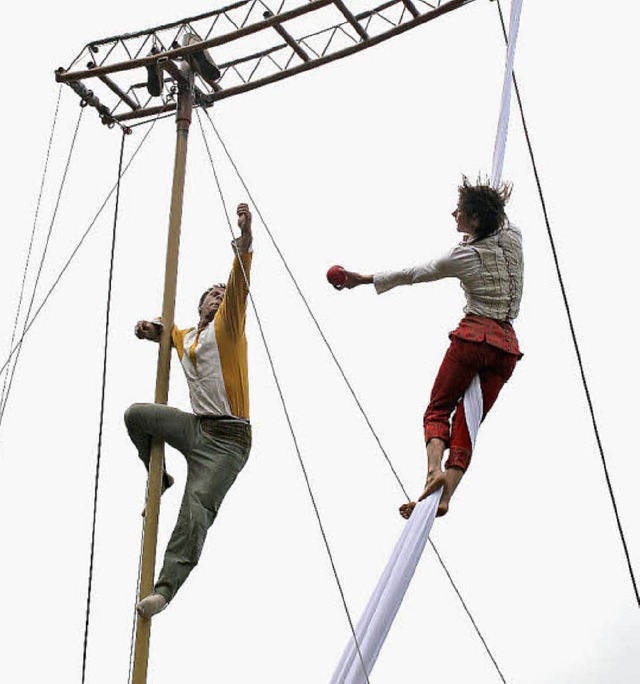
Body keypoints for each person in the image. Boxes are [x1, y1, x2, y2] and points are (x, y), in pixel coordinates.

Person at [335, 177, 523, 518]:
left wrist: (361, 279)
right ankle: (447, 494)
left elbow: (414, 273)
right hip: (507, 350)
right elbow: (501, 221)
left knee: (438, 410)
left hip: (472, 339)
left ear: (476, 220)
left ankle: (433, 470)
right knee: (469, 422)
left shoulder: (461, 257)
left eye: (461, 212)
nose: (454, 214)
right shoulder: (514, 238)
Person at [125, 202, 253, 618]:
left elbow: (239, 280)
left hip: (228, 443)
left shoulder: (228, 324)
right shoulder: (189, 334)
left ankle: (164, 590)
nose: (219, 297)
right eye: (212, 294)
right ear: (201, 305)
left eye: (222, 295)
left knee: (195, 512)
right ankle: (158, 474)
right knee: (137, 415)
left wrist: (245, 239)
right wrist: (148, 330)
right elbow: (167, 333)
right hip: (198, 427)